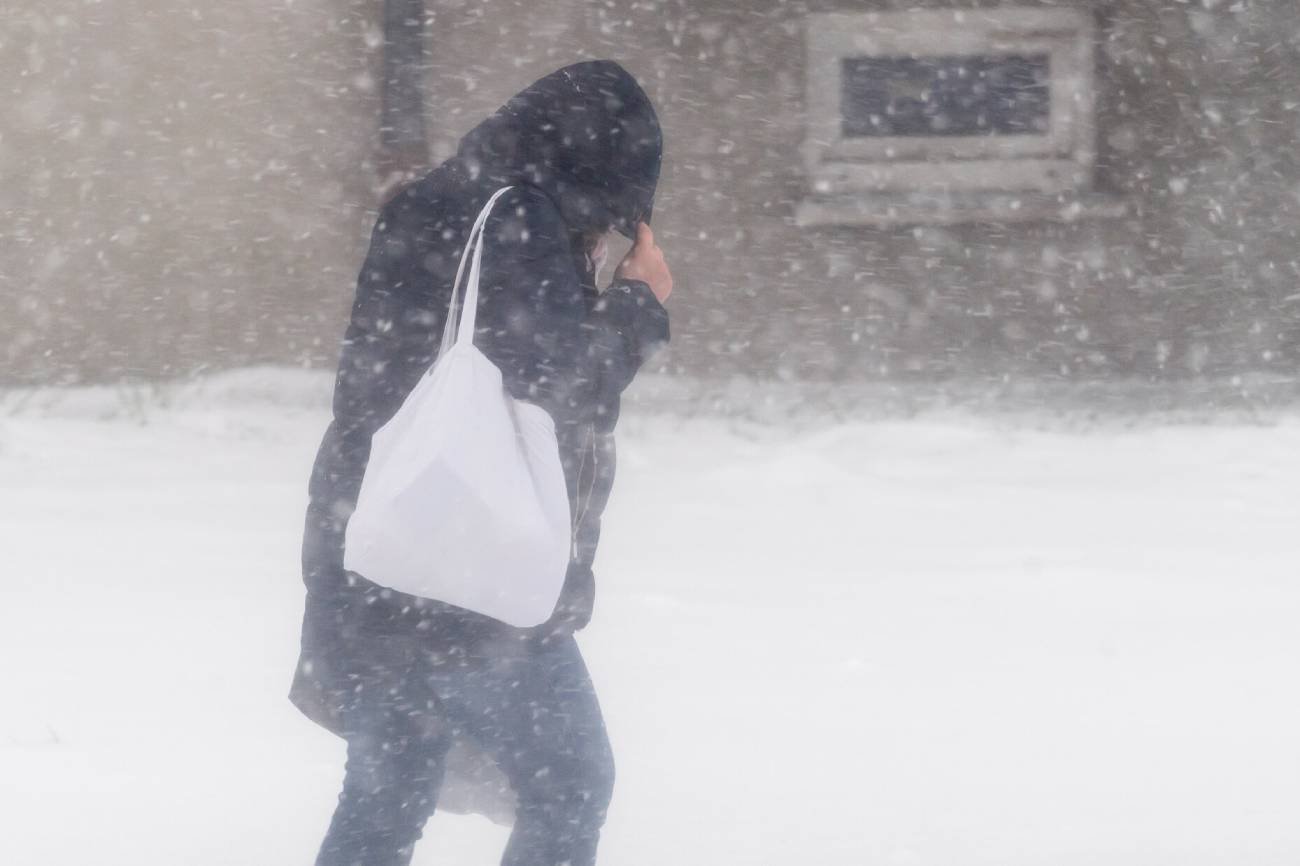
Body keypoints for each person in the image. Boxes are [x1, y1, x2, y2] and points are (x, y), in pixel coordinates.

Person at [289, 60, 672, 866]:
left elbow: (381, 385)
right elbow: (564, 388)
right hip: (467, 576)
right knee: (571, 784)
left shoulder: (429, 202)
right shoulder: (521, 223)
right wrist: (639, 303)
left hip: (374, 556)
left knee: (387, 791)